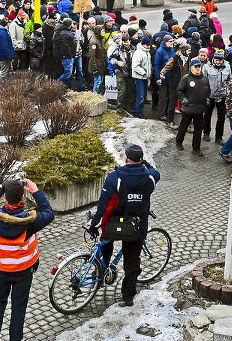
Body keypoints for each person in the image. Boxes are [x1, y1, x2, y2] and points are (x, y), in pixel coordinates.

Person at [0, 177, 54, 341]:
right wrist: (36, 191)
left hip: (0, 270)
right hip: (23, 272)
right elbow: (48, 212)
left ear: (4, 197)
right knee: (18, 308)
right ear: (23, 199)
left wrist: (1, 186)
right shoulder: (30, 222)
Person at [88, 143, 160, 307]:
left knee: (105, 247)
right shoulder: (149, 178)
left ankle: (99, 276)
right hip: (136, 227)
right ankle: (128, 297)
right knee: (132, 261)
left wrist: (94, 224)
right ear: (140, 160)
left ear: (125, 158)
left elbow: (104, 205)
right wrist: (144, 163)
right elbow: (156, 173)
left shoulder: (115, 177)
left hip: (114, 224)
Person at [176, 58, 210, 156]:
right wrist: (183, 100)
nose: (198, 69)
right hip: (188, 108)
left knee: (198, 130)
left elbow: (208, 91)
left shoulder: (205, 79)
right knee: (184, 126)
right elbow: (179, 90)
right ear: (191, 68)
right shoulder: (186, 78)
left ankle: (196, 148)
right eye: (196, 67)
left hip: (200, 109)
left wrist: (207, 99)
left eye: (199, 67)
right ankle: (179, 142)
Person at [202, 49, 230, 144]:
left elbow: (229, 79)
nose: (218, 62)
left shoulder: (227, 66)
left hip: (221, 96)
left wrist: (226, 89)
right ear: (213, 59)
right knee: (207, 115)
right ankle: (206, 132)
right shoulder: (206, 67)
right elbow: (203, 81)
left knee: (221, 116)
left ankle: (219, 137)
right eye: (216, 60)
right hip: (210, 95)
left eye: (220, 60)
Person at [131, 37, 152, 117]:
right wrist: (144, 73)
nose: (149, 46)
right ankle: (138, 112)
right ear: (143, 45)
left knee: (143, 96)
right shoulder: (138, 53)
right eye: (147, 45)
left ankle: (137, 110)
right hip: (140, 78)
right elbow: (135, 66)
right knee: (141, 96)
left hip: (145, 77)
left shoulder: (147, 52)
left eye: (149, 45)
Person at [55, 18, 77, 86]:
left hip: (67, 55)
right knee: (68, 73)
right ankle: (56, 83)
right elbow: (65, 46)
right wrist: (70, 55)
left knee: (69, 73)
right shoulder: (65, 33)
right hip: (67, 56)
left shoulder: (64, 32)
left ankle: (70, 85)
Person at [0, 17, 15, 86]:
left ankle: (4, 86)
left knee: (6, 71)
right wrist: (10, 56)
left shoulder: (2, 31)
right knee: (3, 72)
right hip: (4, 56)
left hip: (4, 55)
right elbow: (4, 47)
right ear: (7, 24)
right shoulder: (3, 33)